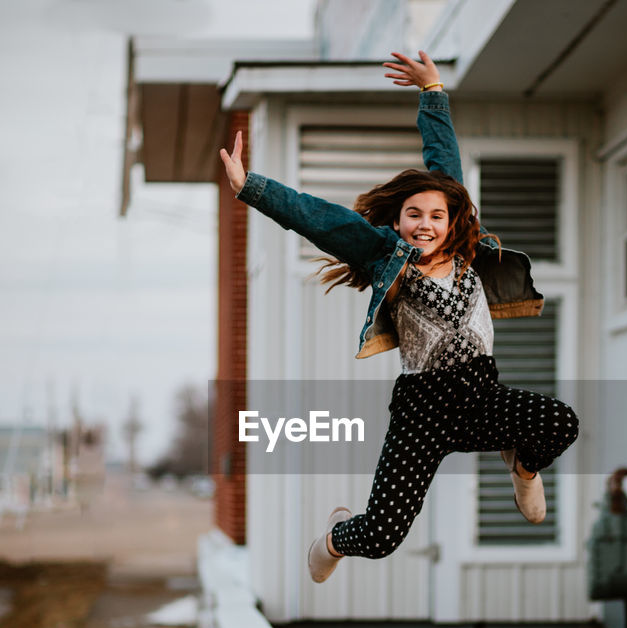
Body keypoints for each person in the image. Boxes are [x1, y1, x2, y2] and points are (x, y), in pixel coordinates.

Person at [219, 50, 579, 584]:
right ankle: (335, 537)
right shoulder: (386, 256)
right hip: (422, 412)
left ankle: (522, 465)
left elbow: (444, 159)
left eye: (437, 215)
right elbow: (321, 220)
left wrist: (433, 91)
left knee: (561, 421)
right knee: (384, 536)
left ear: (454, 219)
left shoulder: (465, 249)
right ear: (400, 219)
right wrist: (253, 187)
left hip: (482, 395)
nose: (426, 223)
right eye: (415, 214)